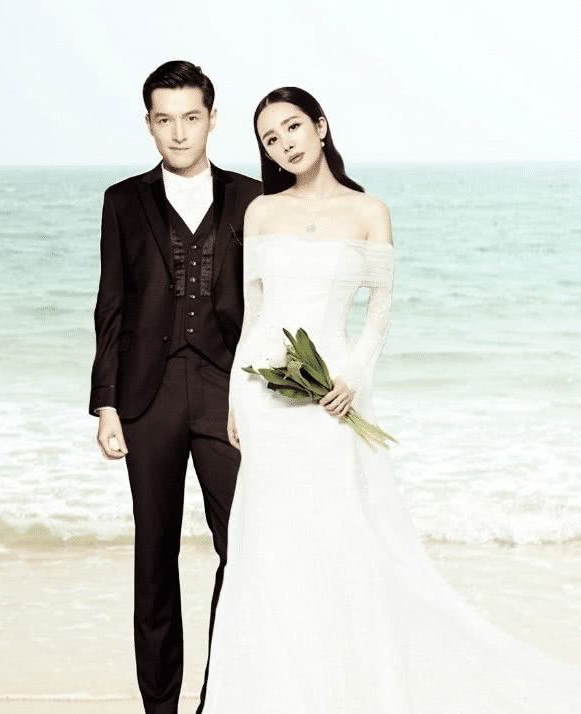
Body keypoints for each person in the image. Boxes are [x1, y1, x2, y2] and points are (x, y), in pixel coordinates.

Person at [201, 86, 581, 712]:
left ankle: (344, 686)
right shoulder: (261, 212)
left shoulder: (369, 211)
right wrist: (234, 400)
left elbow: (379, 312)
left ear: (321, 126)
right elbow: (255, 312)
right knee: (268, 542)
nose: (285, 143)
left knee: (337, 533)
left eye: (293, 127)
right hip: (265, 395)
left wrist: (351, 378)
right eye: (270, 138)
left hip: (330, 394)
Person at [88, 60, 261, 713]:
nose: (179, 132)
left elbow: (271, 300)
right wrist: (106, 403)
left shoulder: (252, 198)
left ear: (212, 119)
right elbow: (111, 303)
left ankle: (222, 694)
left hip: (227, 393)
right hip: (147, 397)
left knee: (242, 548)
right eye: (165, 119)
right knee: (154, 557)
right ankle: (159, 707)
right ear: (149, 124)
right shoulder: (122, 201)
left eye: (191, 117)